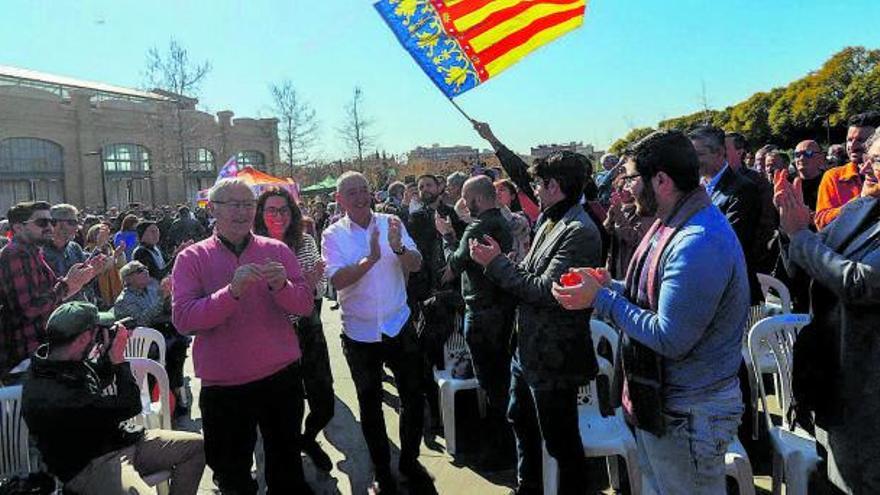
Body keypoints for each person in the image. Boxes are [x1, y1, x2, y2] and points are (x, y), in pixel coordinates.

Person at [552, 129, 748, 494]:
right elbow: (652, 298)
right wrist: (607, 287)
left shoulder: (698, 240)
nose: (625, 188)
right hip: (665, 407)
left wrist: (603, 300)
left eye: (630, 178)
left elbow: (670, 336)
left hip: (689, 414)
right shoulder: (672, 221)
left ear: (660, 180)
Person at [468, 143, 602, 495]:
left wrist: (496, 264)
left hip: (554, 359)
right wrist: (509, 264)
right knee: (521, 422)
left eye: (540, 185)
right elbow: (531, 271)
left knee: (560, 443)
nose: (535, 192)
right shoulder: (549, 219)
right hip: (526, 352)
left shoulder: (579, 231)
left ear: (554, 186)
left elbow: (546, 291)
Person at [172, 178, 315, 494]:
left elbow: (305, 305)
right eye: (233, 204)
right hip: (224, 387)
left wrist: (283, 287)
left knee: (287, 470)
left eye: (248, 204)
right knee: (232, 475)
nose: (242, 212)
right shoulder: (191, 258)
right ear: (213, 209)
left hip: (281, 380)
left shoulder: (275, 249)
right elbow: (183, 320)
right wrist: (230, 293)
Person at [774, 128, 880, 493]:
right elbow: (814, 257)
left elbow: (861, 281)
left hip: (866, 394)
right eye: (866, 157)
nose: (864, 166)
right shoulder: (863, 207)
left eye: (876, 160)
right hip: (833, 380)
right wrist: (793, 230)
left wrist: (802, 237)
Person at [22, 301, 206, 494]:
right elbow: (131, 405)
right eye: (97, 331)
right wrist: (119, 361)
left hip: (120, 441)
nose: (102, 334)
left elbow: (99, 377)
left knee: (196, 448)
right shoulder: (53, 396)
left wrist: (109, 356)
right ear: (84, 338)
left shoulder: (58, 362)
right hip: (92, 465)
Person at [322, 171, 428, 493]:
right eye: (351, 192)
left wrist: (397, 249)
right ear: (339, 199)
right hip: (359, 334)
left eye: (363, 190)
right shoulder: (332, 235)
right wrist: (371, 259)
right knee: (369, 407)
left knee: (413, 396)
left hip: (398, 324)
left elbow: (417, 264)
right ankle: (382, 469)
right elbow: (337, 281)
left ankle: (409, 462)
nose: (359, 196)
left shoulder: (390, 223)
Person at [435, 175, 516, 469]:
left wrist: (445, 234)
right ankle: (505, 445)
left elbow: (453, 266)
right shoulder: (501, 222)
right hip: (502, 310)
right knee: (502, 382)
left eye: (465, 197)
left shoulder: (478, 226)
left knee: (493, 385)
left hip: (482, 313)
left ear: (476, 200)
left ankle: (501, 450)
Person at [253, 187, 335, 473]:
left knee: (324, 403)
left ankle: (308, 438)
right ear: (261, 215)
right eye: (271, 210)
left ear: (293, 212)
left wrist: (312, 284)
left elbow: (320, 288)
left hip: (308, 328)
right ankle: (291, 465)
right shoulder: (254, 248)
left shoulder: (306, 242)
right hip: (273, 336)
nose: (278, 216)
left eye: (283, 209)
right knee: (285, 410)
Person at [0, 201, 100, 377]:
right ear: (18, 227)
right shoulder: (16, 254)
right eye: (41, 223)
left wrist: (80, 280)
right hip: (28, 353)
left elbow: (53, 298)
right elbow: (29, 309)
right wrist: (67, 284)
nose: (49, 227)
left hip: (45, 348)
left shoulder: (33, 252)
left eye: (51, 222)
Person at [689, 126, 762, 304]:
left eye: (699, 154)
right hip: (703, 294)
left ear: (720, 152)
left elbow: (731, 241)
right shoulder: (694, 189)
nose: (694, 161)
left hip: (735, 296)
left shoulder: (743, 189)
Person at [114, 260, 189, 415]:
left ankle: (174, 391)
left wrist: (169, 296)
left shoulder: (150, 290)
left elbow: (162, 311)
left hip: (159, 332)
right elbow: (142, 321)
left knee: (179, 342)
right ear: (129, 278)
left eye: (145, 267)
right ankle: (173, 394)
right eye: (140, 270)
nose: (146, 270)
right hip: (141, 342)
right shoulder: (124, 300)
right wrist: (162, 298)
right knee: (173, 349)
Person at [815, 112, 880, 229]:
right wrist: (861, 200)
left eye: (861, 140)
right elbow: (821, 223)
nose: (853, 146)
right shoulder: (833, 176)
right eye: (849, 140)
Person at [83, 223, 127, 309]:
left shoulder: (108, 248)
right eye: (102, 234)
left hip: (113, 286)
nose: (106, 236)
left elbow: (120, 265)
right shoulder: (89, 250)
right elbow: (100, 267)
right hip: (98, 289)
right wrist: (115, 255)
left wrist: (120, 253)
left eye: (107, 234)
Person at [495, 179, 532, 263]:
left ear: (512, 196)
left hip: (518, 267)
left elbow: (511, 224)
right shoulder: (491, 218)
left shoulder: (521, 217)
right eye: (494, 190)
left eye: (501, 189)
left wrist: (500, 206)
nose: (497, 193)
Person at [793, 140, 826, 211]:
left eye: (808, 153)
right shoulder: (789, 183)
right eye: (797, 154)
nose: (801, 158)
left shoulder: (830, 181)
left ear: (821, 157)